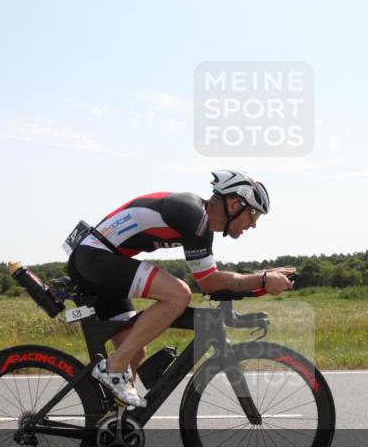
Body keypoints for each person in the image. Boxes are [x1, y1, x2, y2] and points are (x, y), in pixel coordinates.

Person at [67, 170, 296, 407]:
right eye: (253, 215)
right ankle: (112, 368)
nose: (253, 225)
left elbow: (216, 283)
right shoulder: (194, 216)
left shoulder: (201, 222)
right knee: (179, 294)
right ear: (235, 204)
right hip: (95, 258)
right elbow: (209, 282)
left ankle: (112, 428)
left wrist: (263, 279)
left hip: (100, 262)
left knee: (134, 352)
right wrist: (262, 280)